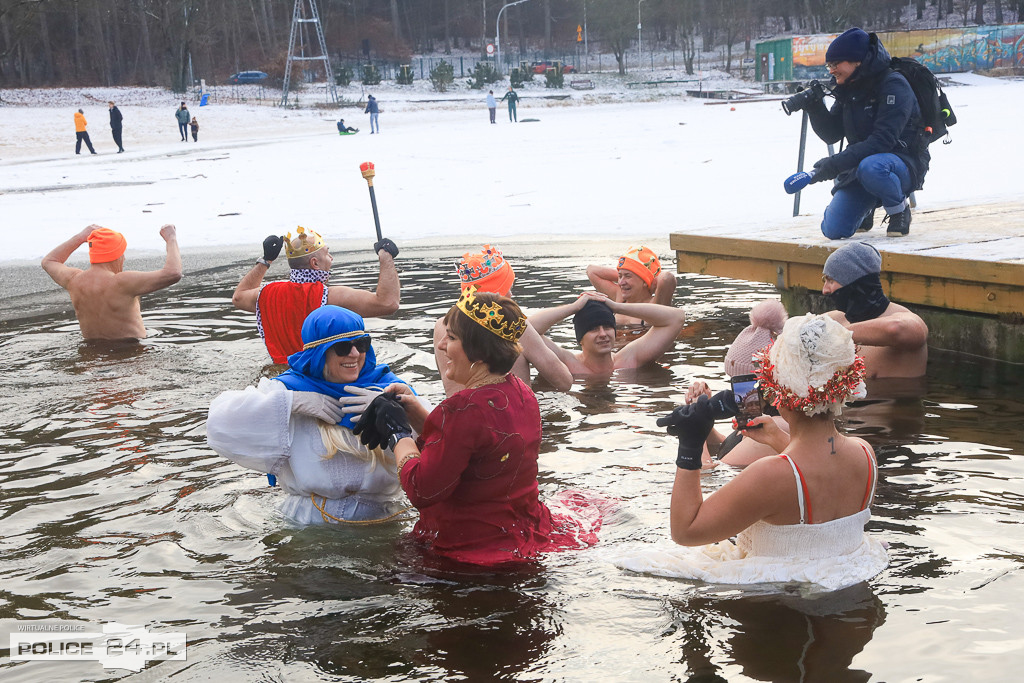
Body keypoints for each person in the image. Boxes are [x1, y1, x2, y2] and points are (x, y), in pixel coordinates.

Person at [612, 313, 887, 591]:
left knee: (623, 560)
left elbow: (685, 532)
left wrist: (690, 446)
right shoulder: (865, 454)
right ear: (843, 383)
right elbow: (814, 480)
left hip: (776, 606)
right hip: (840, 594)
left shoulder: (770, 475)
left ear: (778, 388)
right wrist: (776, 438)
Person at [352, 288, 603, 565]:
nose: (441, 346)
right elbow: (474, 447)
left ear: (479, 353)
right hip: (524, 534)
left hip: (473, 553)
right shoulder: (520, 392)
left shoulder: (463, 408)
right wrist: (415, 411)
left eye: (452, 338)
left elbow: (422, 490)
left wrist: (398, 434)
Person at [207, 306, 414, 524]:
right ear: (319, 352)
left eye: (362, 344)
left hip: (384, 519)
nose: (355, 354)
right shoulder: (288, 389)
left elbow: (436, 439)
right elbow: (219, 424)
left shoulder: (388, 387)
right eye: (343, 347)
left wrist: (396, 409)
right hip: (311, 523)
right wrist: (292, 403)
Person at [805, 28, 930, 238]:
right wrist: (814, 107)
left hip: (902, 163)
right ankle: (868, 204)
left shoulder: (894, 85)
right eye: (829, 65)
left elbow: (882, 141)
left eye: (836, 64)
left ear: (857, 61)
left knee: (872, 167)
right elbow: (831, 134)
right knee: (834, 230)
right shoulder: (849, 87)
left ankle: (899, 210)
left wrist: (833, 165)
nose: (831, 71)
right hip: (860, 168)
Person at [231, 226, 400, 364]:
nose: (331, 258)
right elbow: (388, 303)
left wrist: (266, 261)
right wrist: (386, 257)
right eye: (327, 253)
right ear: (315, 263)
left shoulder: (267, 294)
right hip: (316, 381)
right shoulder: (330, 297)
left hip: (279, 379)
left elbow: (239, 297)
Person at [433, 245, 572, 395]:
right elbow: (564, 381)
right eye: (507, 287)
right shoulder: (509, 324)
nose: (511, 295)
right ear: (495, 295)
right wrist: (540, 340)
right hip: (510, 413)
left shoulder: (441, 327)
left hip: (458, 415)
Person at [686, 300, 790, 468]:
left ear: (769, 386)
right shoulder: (764, 420)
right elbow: (728, 447)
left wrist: (693, 431)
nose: (736, 393)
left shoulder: (776, 427)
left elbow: (709, 474)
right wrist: (703, 417)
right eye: (732, 381)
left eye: (742, 384)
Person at [40, 224, 182, 340]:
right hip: (131, 354)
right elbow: (173, 273)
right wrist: (171, 239)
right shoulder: (121, 282)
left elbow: (49, 261)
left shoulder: (74, 280)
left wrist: (80, 237)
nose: (124, 259)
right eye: (122, 253)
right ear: (116, 255)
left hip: (90, 356)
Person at [822, 241, 928, 378]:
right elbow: (793, 333)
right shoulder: (836, 319)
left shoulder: (906, 320)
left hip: (893, 398)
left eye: (831, 281)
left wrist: (834, 335)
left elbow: (896, 329)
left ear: (854, 283)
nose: (825, 290)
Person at [528, 292, 686, 376]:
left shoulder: (628, 360)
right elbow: (523, 329)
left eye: (607, 327)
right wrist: (573, 308)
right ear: (580, 338)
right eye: (593, 329)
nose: (603, 334)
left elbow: (676, 318)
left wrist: (617, 307)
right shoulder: (566, 364)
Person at [586, 245, 678, 328]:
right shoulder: (620, 297)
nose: (621, 283)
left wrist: (648, 279)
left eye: (628, 276)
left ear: (645, 281)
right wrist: (627, 273)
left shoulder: (656, 304)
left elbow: (666, 279)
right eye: (620, 276)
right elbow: (591, 271)